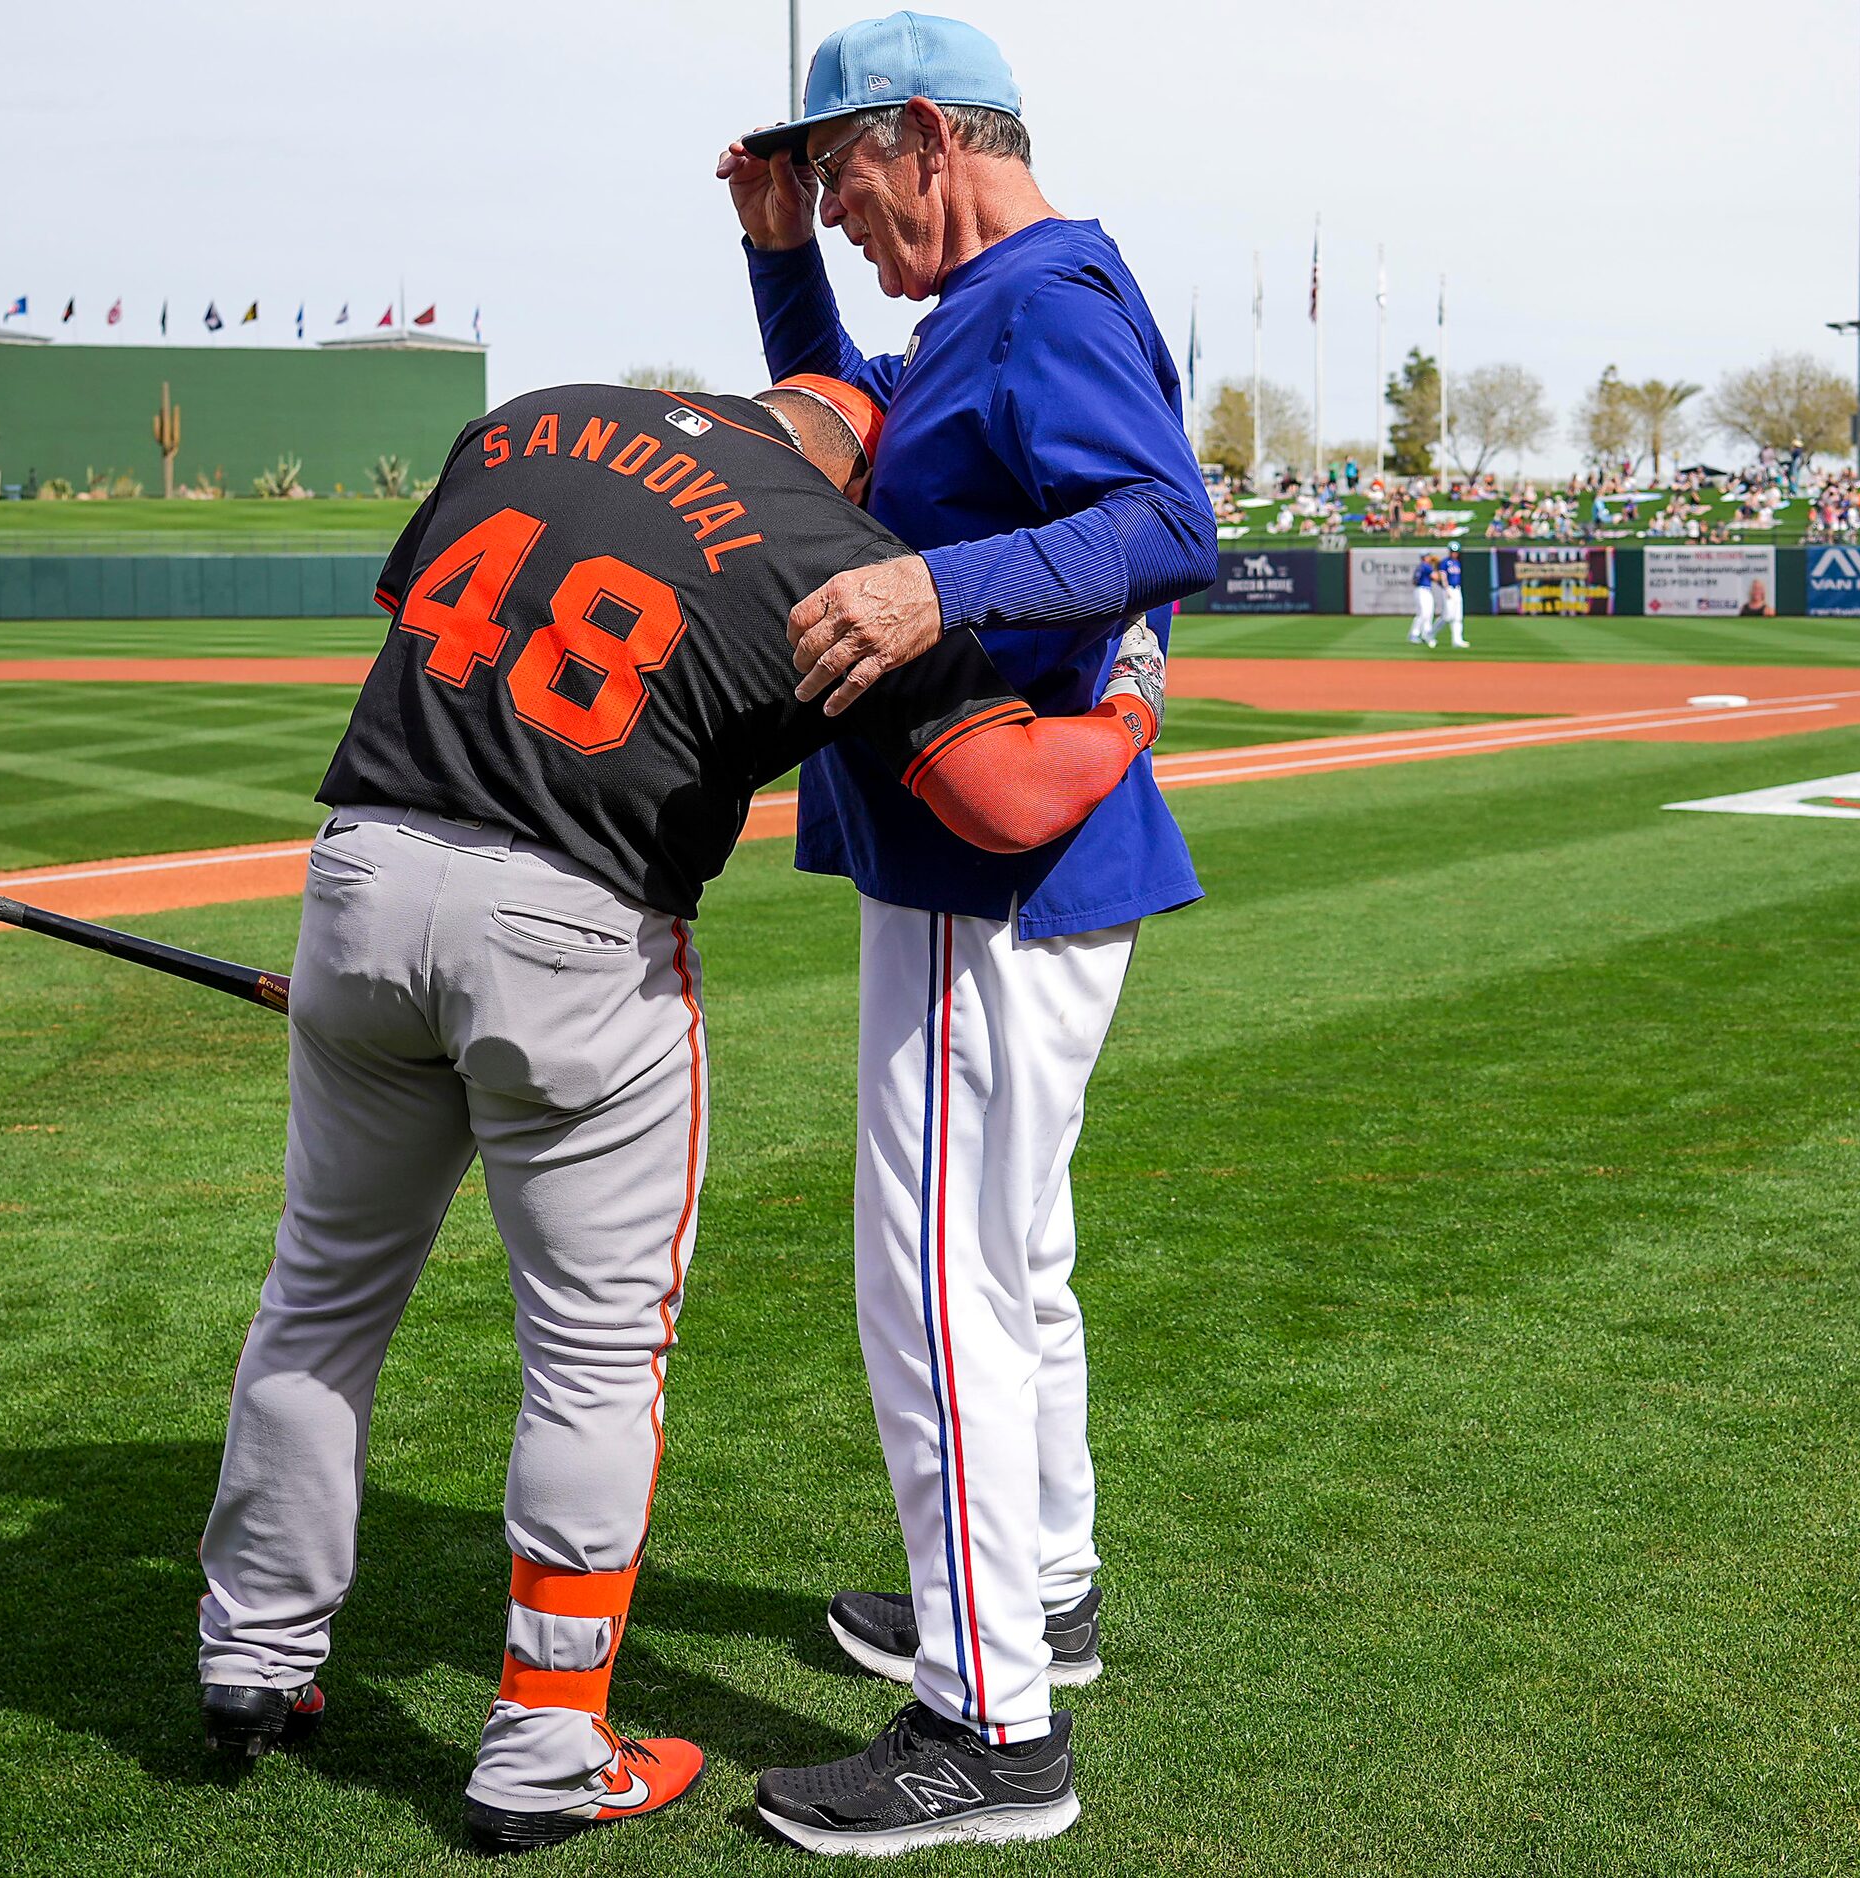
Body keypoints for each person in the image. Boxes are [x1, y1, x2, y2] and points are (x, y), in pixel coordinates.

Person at [193, 373, 1167, 1854]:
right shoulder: (835, 550)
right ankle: (543, 1740)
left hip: (363, 870)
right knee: (592, 1353)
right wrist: (1128, 707)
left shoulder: (531, 414)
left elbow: (415, 601)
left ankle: (253, 1657)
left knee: (317, 1298)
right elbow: (1007, 799)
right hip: (579, 929)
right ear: (862, 468)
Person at [715, 12, 1214, 1853]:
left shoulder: (1038, 299)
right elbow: (845, 451)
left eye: (845, 177)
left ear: (931, 134)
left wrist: (940, 580)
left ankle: (990, 1729)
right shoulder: (993, 303)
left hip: (983, 875)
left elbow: (1169, 520)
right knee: (1011, 1261)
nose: (842, 215)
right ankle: (1045, 1594)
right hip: (1021, 873)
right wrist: (776, 260)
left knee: (938, 1293)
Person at [1410, 547, 1441, 647]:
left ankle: (1425, 635)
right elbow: (1436, 577)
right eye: (1428, 556)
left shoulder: (1421, 566)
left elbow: (1414, 580)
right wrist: (1437, 566)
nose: (1430, 557)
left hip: (1422, 590)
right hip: (1423, 590)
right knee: (1424, 613)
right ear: (1424, 557)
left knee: (1427, 614)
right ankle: (1414, 634)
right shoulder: (1426, 566)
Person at [1440, 541, 1468, 647]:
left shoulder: (1457, 562)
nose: (1454, 553)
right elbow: (1443, 576)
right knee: (1447, 616)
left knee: (1458, 616)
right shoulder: (1445, 562)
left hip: (1457, 589)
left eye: (1456, 552)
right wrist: (1446, 589)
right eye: (1452, 551)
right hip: (1449, 589)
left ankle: (1457, 640)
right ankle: (1430, 634)